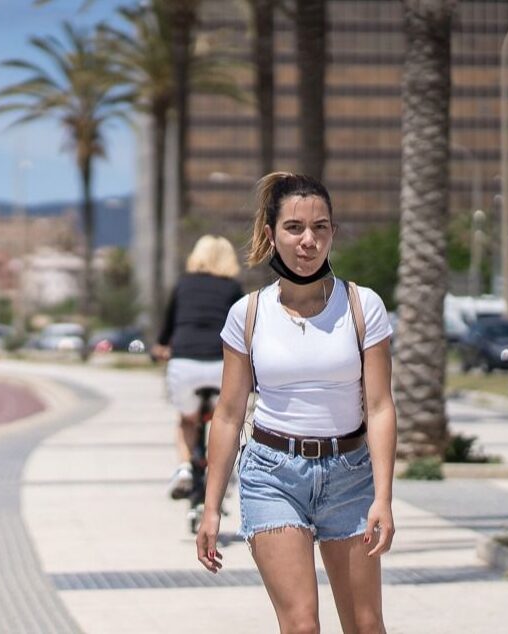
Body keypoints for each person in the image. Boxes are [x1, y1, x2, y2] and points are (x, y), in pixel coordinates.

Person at [197, 172, 397, 634]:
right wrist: (211, 506)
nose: (308, 241)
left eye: (320, 228)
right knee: (302, 625)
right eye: (294, 228)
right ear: (271, 235)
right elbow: (227, 415)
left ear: (332, 233)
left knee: (365, 626)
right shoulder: (248, 314)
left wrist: (383, 498)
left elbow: (381, 406)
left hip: (349, 475)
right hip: (271, 475)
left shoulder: (362, 305)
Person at [151, 235, 243, 499]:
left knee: (186, 420)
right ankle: (225, 471)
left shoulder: (183, 285)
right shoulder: (233, 288)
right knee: (223, 420)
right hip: (221, 365)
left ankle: (184, 469)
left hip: (184, 364)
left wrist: (159, 348)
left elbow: (167, 328)